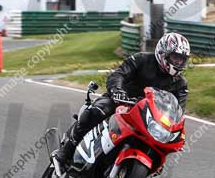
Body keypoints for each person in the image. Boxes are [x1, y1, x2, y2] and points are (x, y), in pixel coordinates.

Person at [54, 32, 191, 167]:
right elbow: (118, 74)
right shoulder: (141, 59)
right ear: (163, 53)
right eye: (175, 58)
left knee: (161, 147)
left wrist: (177, 133)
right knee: (96, 112)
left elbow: (178, 113)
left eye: (182, 60)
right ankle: (66, 150)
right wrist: (118, 91)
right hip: (121, 101)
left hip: (148, 116)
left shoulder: (180, 84)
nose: (178, 62)